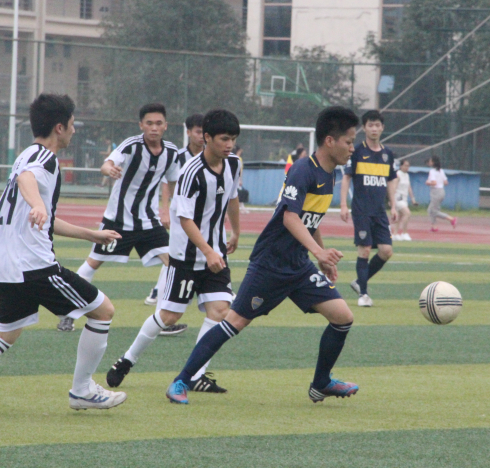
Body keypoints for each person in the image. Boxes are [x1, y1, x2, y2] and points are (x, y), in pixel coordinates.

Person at [0, 93, 126, 414]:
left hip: (5, 262)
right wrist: (37, 204)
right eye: (72, 125)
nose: (74, 131)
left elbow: (43, 215)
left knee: (5, 334)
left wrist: (91, 234)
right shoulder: (44, 159)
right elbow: (27, 180)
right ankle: (82, 391)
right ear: (59, 128)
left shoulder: (26, 154)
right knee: (103, 311)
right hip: (32, 264)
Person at [165, 106, 360, 405]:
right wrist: (319, 251)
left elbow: (311, 219)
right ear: (330, 141)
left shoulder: (330, 173)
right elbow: (290, 218)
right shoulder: (302, 170)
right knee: (233, 322)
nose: (352, 148)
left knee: (343, 317)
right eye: (349, 141)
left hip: (299, 265)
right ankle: (181, 380)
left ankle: (321, 383)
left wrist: (319, 257)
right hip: (271, 263)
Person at [105, 110, 242, 394]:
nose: (229, 145)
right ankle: (127, 359)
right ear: (207, 138)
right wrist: (207, 250)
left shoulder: (233, 164)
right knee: (168, 317)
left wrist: (236, 232)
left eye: (233, 139)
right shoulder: (190, 171)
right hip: (186, 257)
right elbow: (185, 219)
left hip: (215, 254)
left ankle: (195, 375)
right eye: (224, 139)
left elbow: (232, 198)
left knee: (220, 311)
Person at [64, 104, 186, 336]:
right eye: (149, 123)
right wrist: (109, 169)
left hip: (148, 221)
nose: (154, 128)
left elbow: (172, 182)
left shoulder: (171, 152)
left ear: (166, 126)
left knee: (174, 264)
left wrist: (173, 208)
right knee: (94, 262)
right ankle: (68, 312)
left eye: (158, 123)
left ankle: (162, 322)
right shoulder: (131, 145)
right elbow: (107, 163)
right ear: (141, 125)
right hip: (118, 220)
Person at [147, 112, 205, 309]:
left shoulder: (211, 156)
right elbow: (166, 183)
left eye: (204, 132)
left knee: (206, 249)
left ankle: (220, 288)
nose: (201, 136)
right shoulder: (178, 157)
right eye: (197, 132)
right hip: (181, 214)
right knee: (176, 255)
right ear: (188, 132)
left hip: (203, 215)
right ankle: (159, 294)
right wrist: (165, 211)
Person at [340, 110, 397, 308]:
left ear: (382, 128)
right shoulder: (356, 152)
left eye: (377, 125)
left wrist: (393, 205)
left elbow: (391, 180)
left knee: (386, 251)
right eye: (370, 125)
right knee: (364, 250)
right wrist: (343, 205)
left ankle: (359, 282)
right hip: (361, 210)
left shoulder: (387, 154)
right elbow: (346, 178)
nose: (374, 129)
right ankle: (363, 294)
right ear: (364, 128)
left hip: (379, 211)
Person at [426, 156, 457, 232]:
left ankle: (451, 219)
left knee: (434, 211)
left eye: (430, 161)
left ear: (433, 162)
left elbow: (434, 183)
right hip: (442, 191)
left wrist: (428, 182)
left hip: (436, 192)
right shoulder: (441, 171)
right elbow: (446, 182)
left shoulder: (432, 171)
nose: (429, 162)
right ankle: (434, 227)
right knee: (430, 210)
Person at [392, 159, 418, 241]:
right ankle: (404, 233)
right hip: (398, 198)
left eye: (408, 166)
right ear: (401, 166)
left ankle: (394, 234)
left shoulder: (407, 175)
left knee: (400, 216)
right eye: (405, 165)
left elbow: (409, 188)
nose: (407, 167)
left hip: (404, 198)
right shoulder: (398, 174)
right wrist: (391, 199)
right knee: (407, 213)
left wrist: (413, 199)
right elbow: (393, 187)